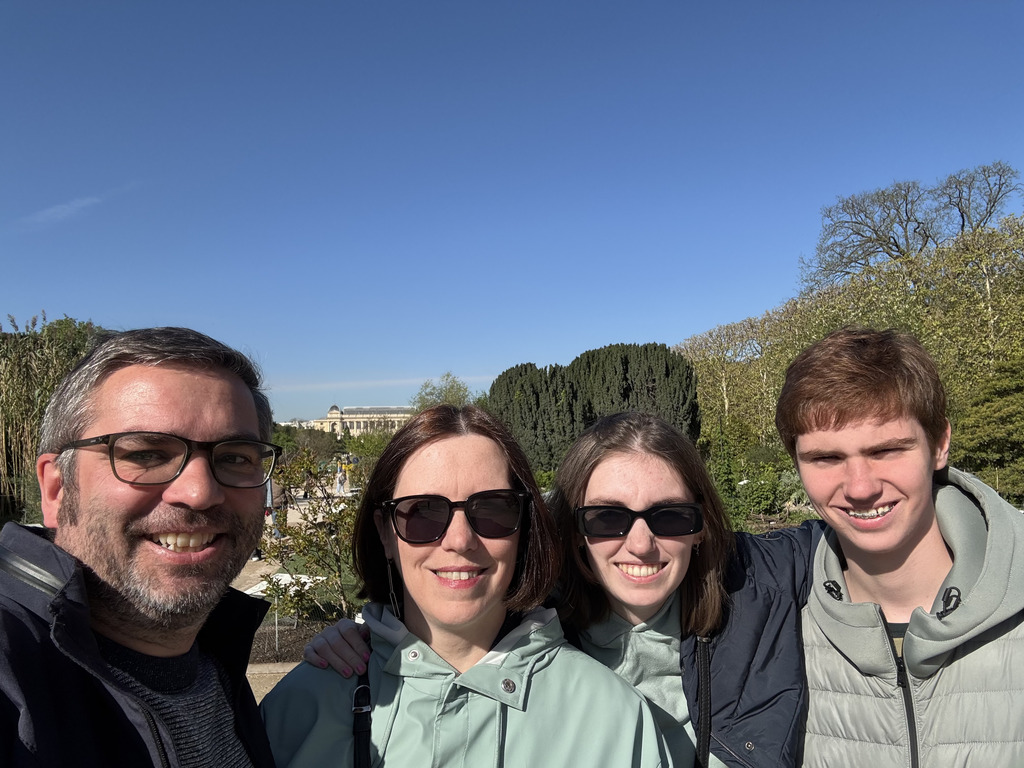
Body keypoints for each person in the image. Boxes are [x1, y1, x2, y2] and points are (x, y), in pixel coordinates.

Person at [306, 411, 820, 767]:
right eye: (607, 519)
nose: (640, 544)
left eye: (669, 516)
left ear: (701, 525)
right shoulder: (534, 617)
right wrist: (367, 636)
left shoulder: (755, 586)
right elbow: (449, 607)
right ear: (573, 532)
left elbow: (854, 526)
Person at [261, 405, 669, 768]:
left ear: (523, 528)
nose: (459, 540)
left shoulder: (614, 718)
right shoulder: (299, 709)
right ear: (385, 532)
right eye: (422, 513)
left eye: (491, 509)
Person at [0, 327, 281, 767]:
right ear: (56, 489)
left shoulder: (215, 660)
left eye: (233, 457)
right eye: (146, 453)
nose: (199, 492)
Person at [775, 327, 1024, 766]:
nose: (860, 487)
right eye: (826, 458)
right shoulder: (774, 632)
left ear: (940, 444)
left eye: (888, 450)